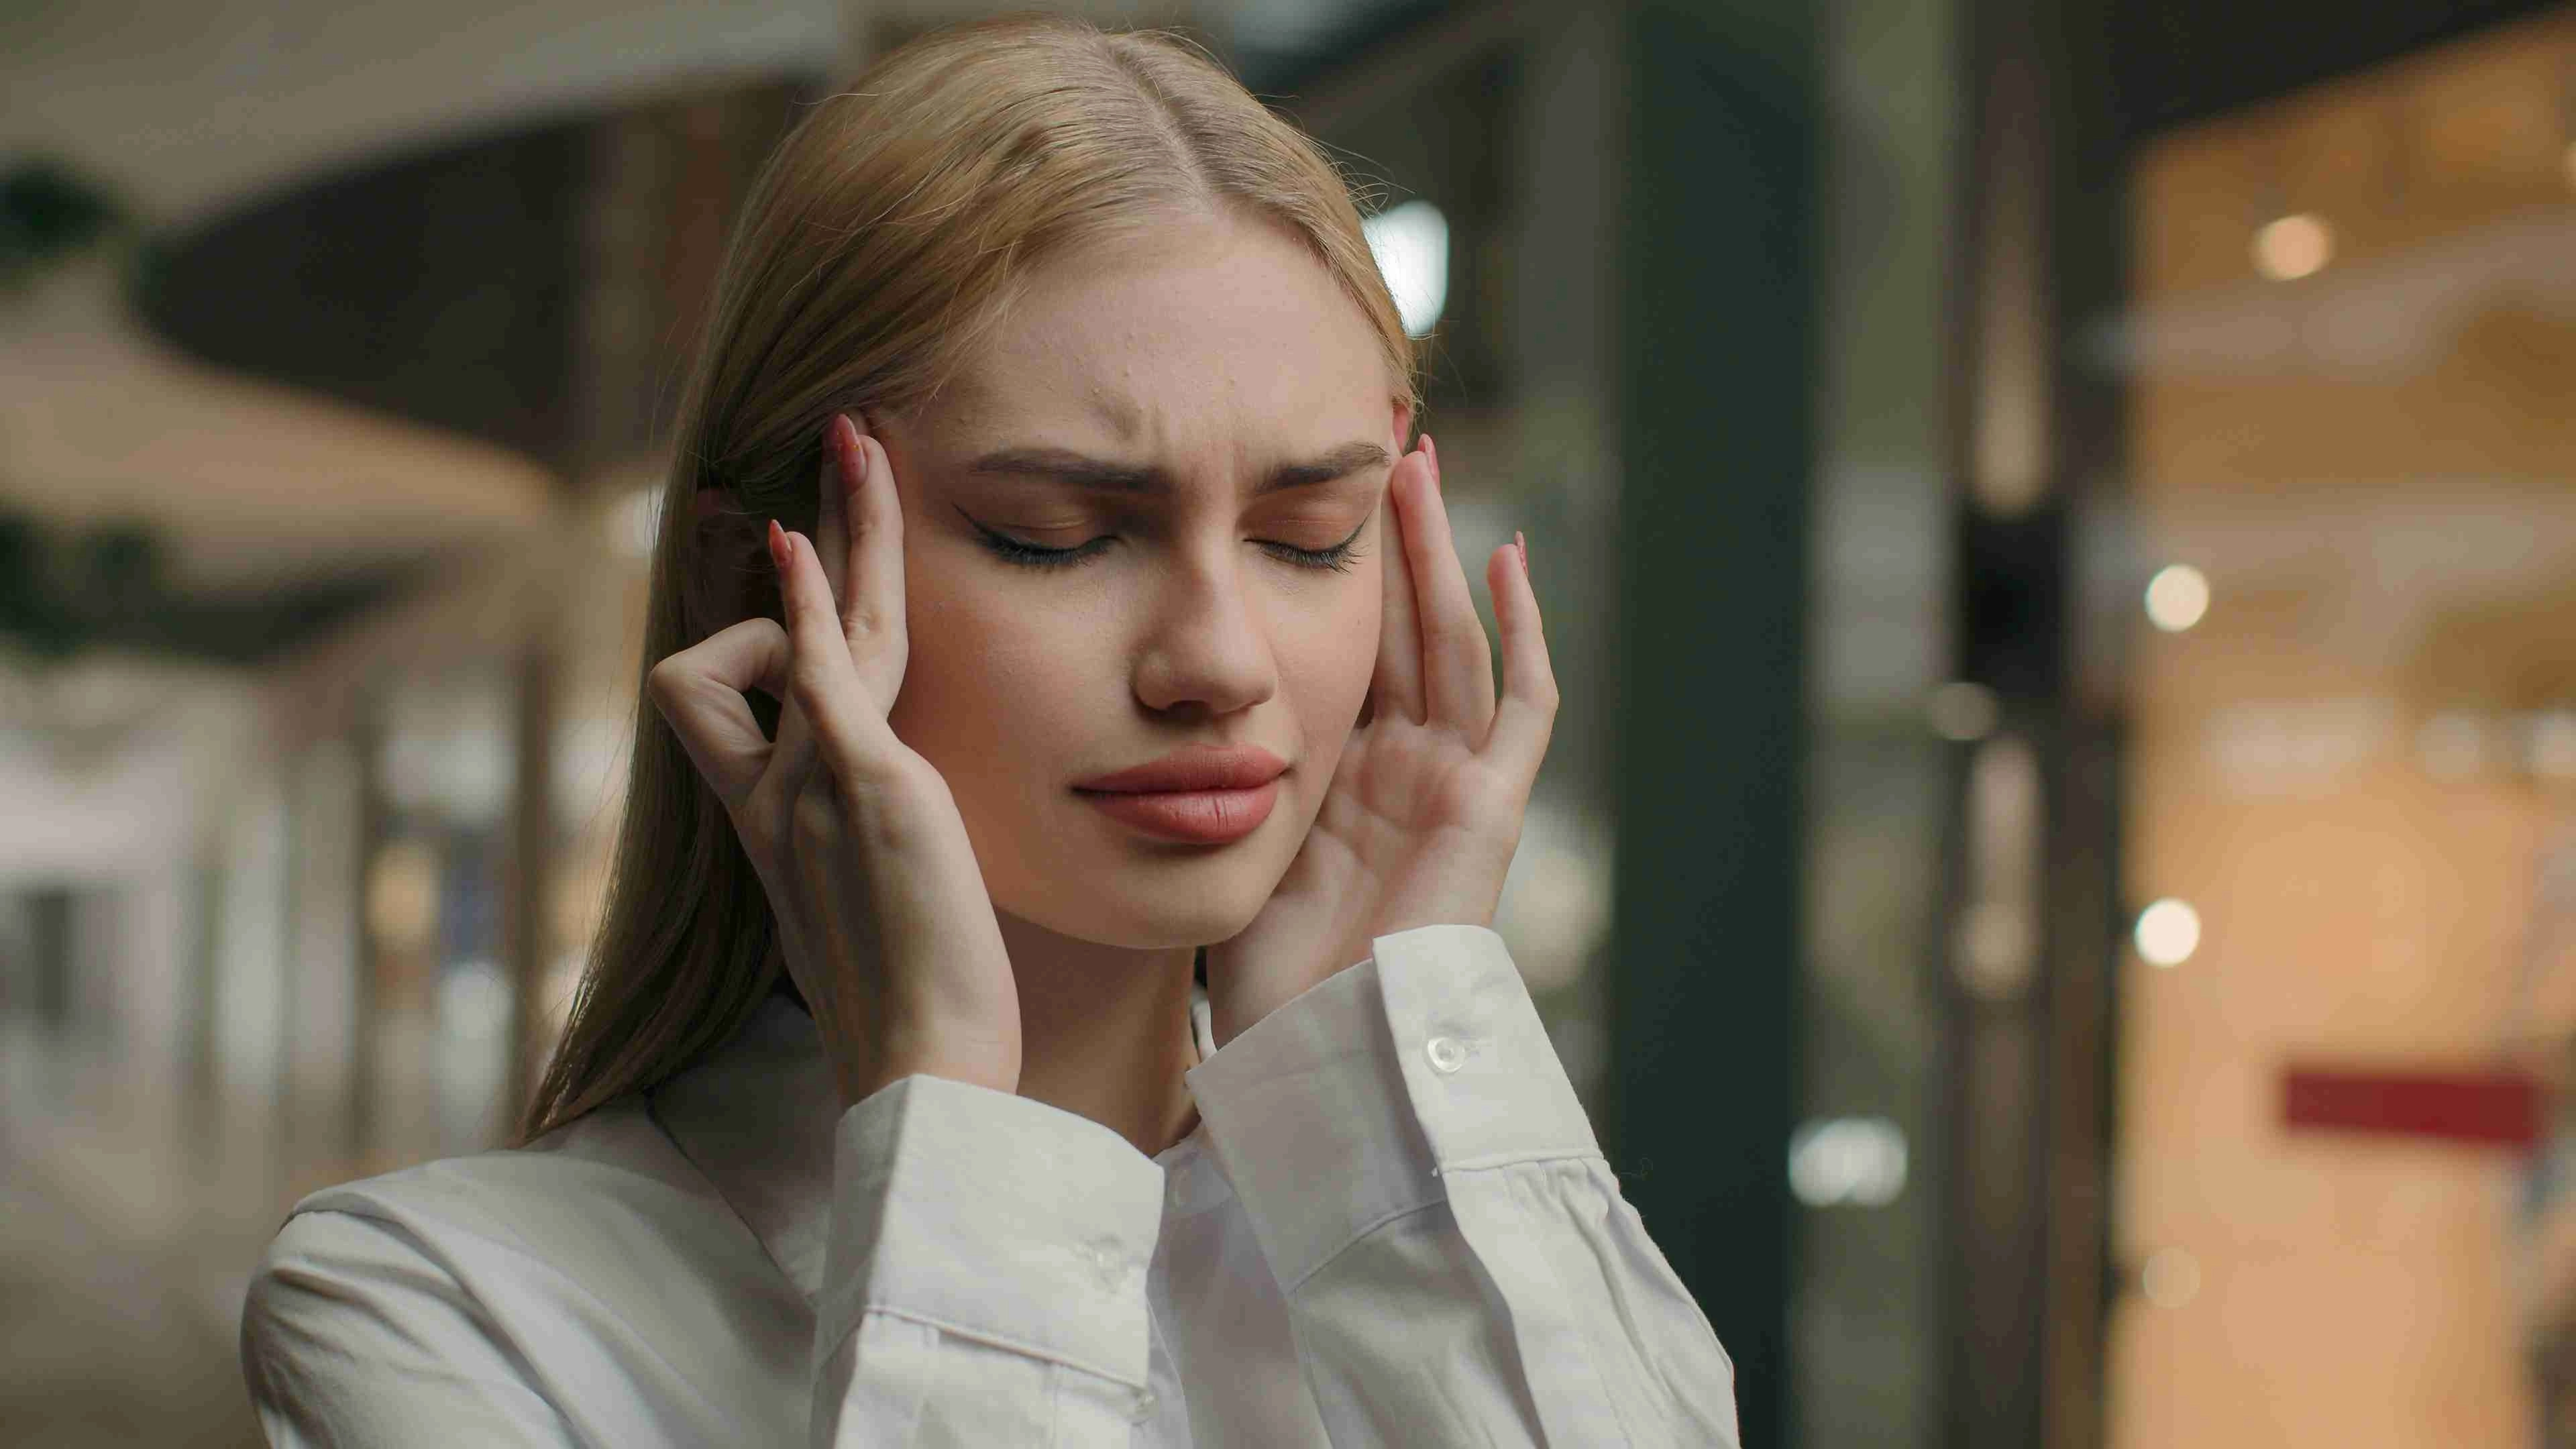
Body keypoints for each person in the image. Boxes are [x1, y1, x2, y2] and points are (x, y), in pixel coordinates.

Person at [239, 16, 1738, 1446]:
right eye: (1051, 535)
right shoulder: (446, 1307)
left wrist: (1381, 1086)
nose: (1216, 661)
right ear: (756, 579)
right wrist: (949, 1111)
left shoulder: (1471, 1215)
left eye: (1311, 535)